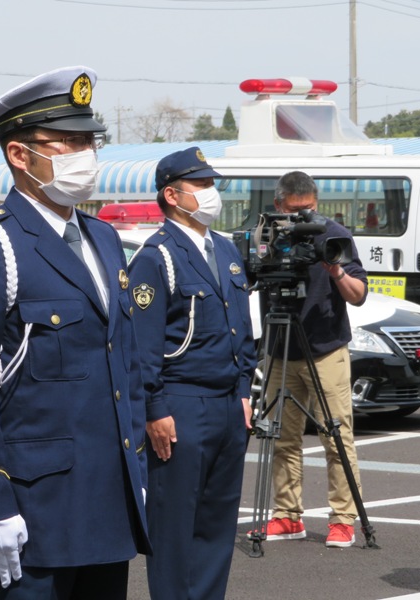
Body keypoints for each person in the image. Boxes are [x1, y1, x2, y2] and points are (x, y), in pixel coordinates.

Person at [0, 66, 150, 600]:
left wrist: (139, 472)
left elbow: (123, 363)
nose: (86, 154)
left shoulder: (103, 239)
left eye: (90, 142)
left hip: (107, 501)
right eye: (68, 142)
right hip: (32, 508)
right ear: (19, 154)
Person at [127, 147, 256, 600]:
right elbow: (142, 344)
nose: (210, 192)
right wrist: (154, 407)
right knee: (175, 527)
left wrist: (244, 388)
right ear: (172, 195)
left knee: (217, 526)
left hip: (227, 403)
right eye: (200, 185)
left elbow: (242, 328)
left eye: (210, 183)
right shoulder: (157, 256)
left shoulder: (224, 248)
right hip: (181, 404)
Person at [258, 170, 367, 548]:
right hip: (280, 347)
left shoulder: (333, 234)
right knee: (282, 438)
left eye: (309, 210)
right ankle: (287, 515)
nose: (303, 218)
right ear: (278, 205)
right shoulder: (266, 233)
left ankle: (343, 519)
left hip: (325, 348)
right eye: (294, 211)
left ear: (317, 203)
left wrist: (335, 270)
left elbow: (358, 295)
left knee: (336, 437)